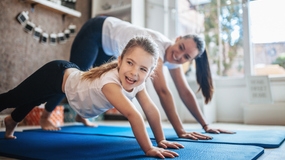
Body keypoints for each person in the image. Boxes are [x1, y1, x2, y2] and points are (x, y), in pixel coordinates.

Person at [0, 36, 184, 158]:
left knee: (34, 98)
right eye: (130, 63)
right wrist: (149, 148)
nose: (134, 73)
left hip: (66, 80)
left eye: (143, 69)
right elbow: (134, 115)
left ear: (151, 72)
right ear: (120, 60)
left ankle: (11, 121)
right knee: (15, 98)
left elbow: (151, 110)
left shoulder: (138, 82)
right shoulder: (109, 83)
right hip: (55, 74)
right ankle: (12, 119)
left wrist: (160, 140)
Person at [68, 16, 235, 139]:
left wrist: (205, 125)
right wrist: (181, 131)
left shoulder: (175, 60)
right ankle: (47, 115)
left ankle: (80, 115)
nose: (178, 56)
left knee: (93, 80)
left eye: (186, 57)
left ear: (189, 60)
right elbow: (163, 91)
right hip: (97, 30)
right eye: (181, 47)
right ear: (176, 39)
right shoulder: (158, 46)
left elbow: (185, 92)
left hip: (108, 47)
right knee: (75, 76)